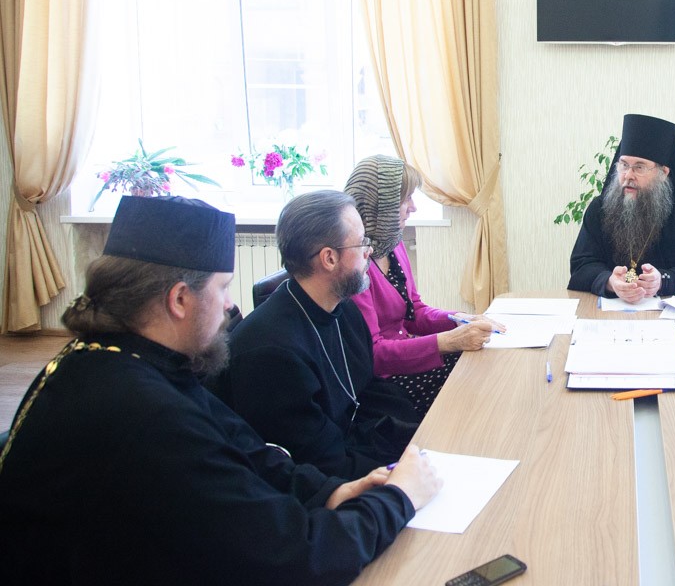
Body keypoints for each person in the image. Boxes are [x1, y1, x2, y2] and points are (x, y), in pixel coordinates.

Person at [0, 195, 440, 584]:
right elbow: (292, 556)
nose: (231, 306)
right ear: (179, 299)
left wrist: (329, 492)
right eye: (223, 288)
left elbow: (246, 449)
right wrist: (398, 499)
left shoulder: (129, 358)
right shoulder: (140, 410)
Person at [210, 190, 423, 479]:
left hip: (358, 450)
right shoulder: (272, 355)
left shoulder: (344, 309)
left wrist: (416, 438)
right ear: (329, 258)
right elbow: (319, 464)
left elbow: (371, 390)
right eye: (362, 242)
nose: (369, 252)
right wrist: (400, 471)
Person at [344, 154, 502, 415]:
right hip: (384, 381)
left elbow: (414, 311)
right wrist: (448, 341)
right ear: (380, 206)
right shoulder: (354, 264)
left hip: (407, 356)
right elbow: (376, 354)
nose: (413, 207)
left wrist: (459, 319)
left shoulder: (393, 244)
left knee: (483, 365)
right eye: (405, 199)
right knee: (474, 382)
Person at [568, 113, 675, 302]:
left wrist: (663, 280)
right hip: (608, 313)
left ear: (663, 173)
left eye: (639, 167)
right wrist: (609, 282)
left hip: (669, 314)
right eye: (624, 165)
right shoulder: (600, 208)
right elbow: (581, 267)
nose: (628, 175)